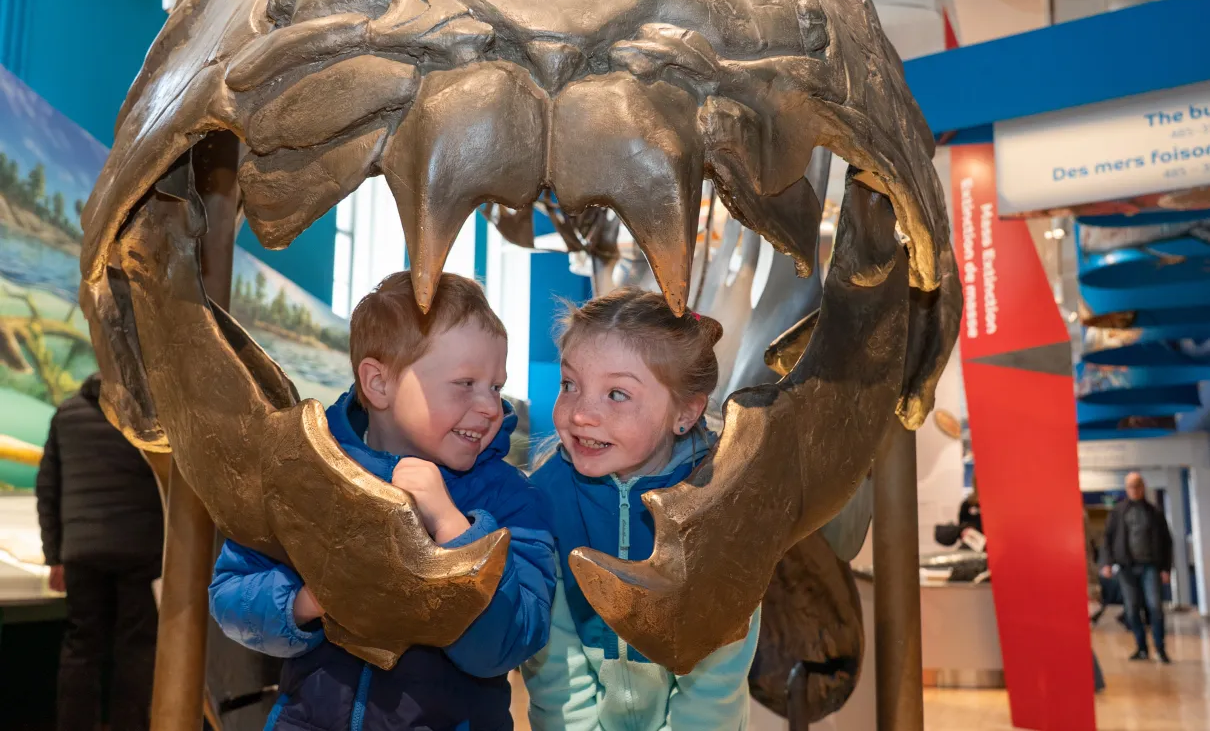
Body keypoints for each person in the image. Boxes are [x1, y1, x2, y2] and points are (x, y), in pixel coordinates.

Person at [209, 272, 557, 730]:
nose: (492, 406)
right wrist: (307, 601)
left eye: (495, 386)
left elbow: (508, 646)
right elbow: (230, 593)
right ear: (378, 384)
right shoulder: (307, 475)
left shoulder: (514, 501)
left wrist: (454, 528)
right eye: (465, 383)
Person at [523, 288, 758, 731]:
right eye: (570, 384)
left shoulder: (721, 505)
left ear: (685, 412)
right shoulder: (545, 499)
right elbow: (555, 663)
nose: (580, 415)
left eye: (616, 394)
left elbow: (717, 671)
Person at [35, 373, 165, 731]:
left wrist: (54, 555)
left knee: (82, 647)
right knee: (135, 649)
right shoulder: (146, 419)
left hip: (82, 553)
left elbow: (47, 489)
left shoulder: (67, 413)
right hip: (139, 551)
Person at [1099, 471, 1174, 664]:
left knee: (1155, 607)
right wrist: (1106, 563)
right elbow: (1107, 539)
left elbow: (1166, 542)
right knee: (1131, 609)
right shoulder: (1118, 512)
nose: (1135, 490)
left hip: (1150, 566)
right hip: (1126, 568)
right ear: (1127, 489)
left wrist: (1166, 568)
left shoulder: (1154, 513)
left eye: (1138, 485)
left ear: (1143, 487)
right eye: (1131, 486)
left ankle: (1160, 649)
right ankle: (1141, 648)